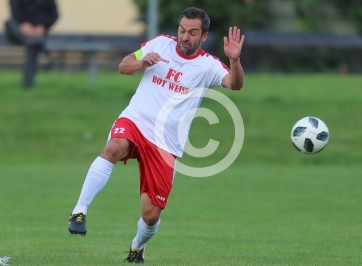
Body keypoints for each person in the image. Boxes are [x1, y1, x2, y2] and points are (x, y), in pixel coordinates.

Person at [67, 6, 245, 263]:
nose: (185, 36)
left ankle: (137, 247)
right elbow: (123, 65)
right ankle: (79, 211)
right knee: (113, 148)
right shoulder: (160, 44)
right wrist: (141, 62)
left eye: (193, 32)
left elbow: (235, 85)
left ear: (203, 36)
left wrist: (235, 60)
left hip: (165, 143)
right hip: (136, 122)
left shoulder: (208, 65)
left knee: (151, 215)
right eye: (182, 30)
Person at [4, 0, 58, 89]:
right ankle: (32, 42)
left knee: (32, 44)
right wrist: (23, 25)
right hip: (18, 31)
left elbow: (54, 15)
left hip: (38, 32)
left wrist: (42, 26)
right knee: (9, 23)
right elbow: (15, 12)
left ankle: (27, 85)